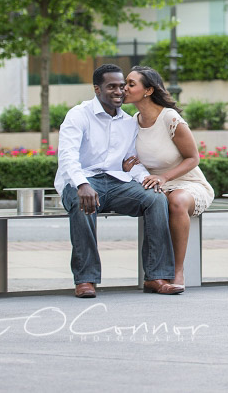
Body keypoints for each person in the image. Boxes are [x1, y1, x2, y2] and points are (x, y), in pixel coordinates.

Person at [55, 63, 184, 297]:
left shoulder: (127, 122)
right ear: (97, 89)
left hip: (116, 183)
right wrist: (82, 184)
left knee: (155, 199)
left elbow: (130, 161)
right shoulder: (78, 114)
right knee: (81, 201)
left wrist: (147, 179)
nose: (118, 91)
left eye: (121, 86)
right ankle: (85, 279)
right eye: (111, 86)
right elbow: (67, 156)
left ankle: (156, 276)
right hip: (84, 182)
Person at [121, 65, 214, 290]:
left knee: (177, 200)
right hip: (156, 186)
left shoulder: (169, 118)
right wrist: (125, 165)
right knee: (157, 201)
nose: (124, 88)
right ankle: (154, 274)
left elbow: (193, 158)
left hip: (189, 183)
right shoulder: (132, 122)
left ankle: (178, 271)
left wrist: (164, 177)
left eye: (131, 84)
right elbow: (132, 160)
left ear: (148, 91)